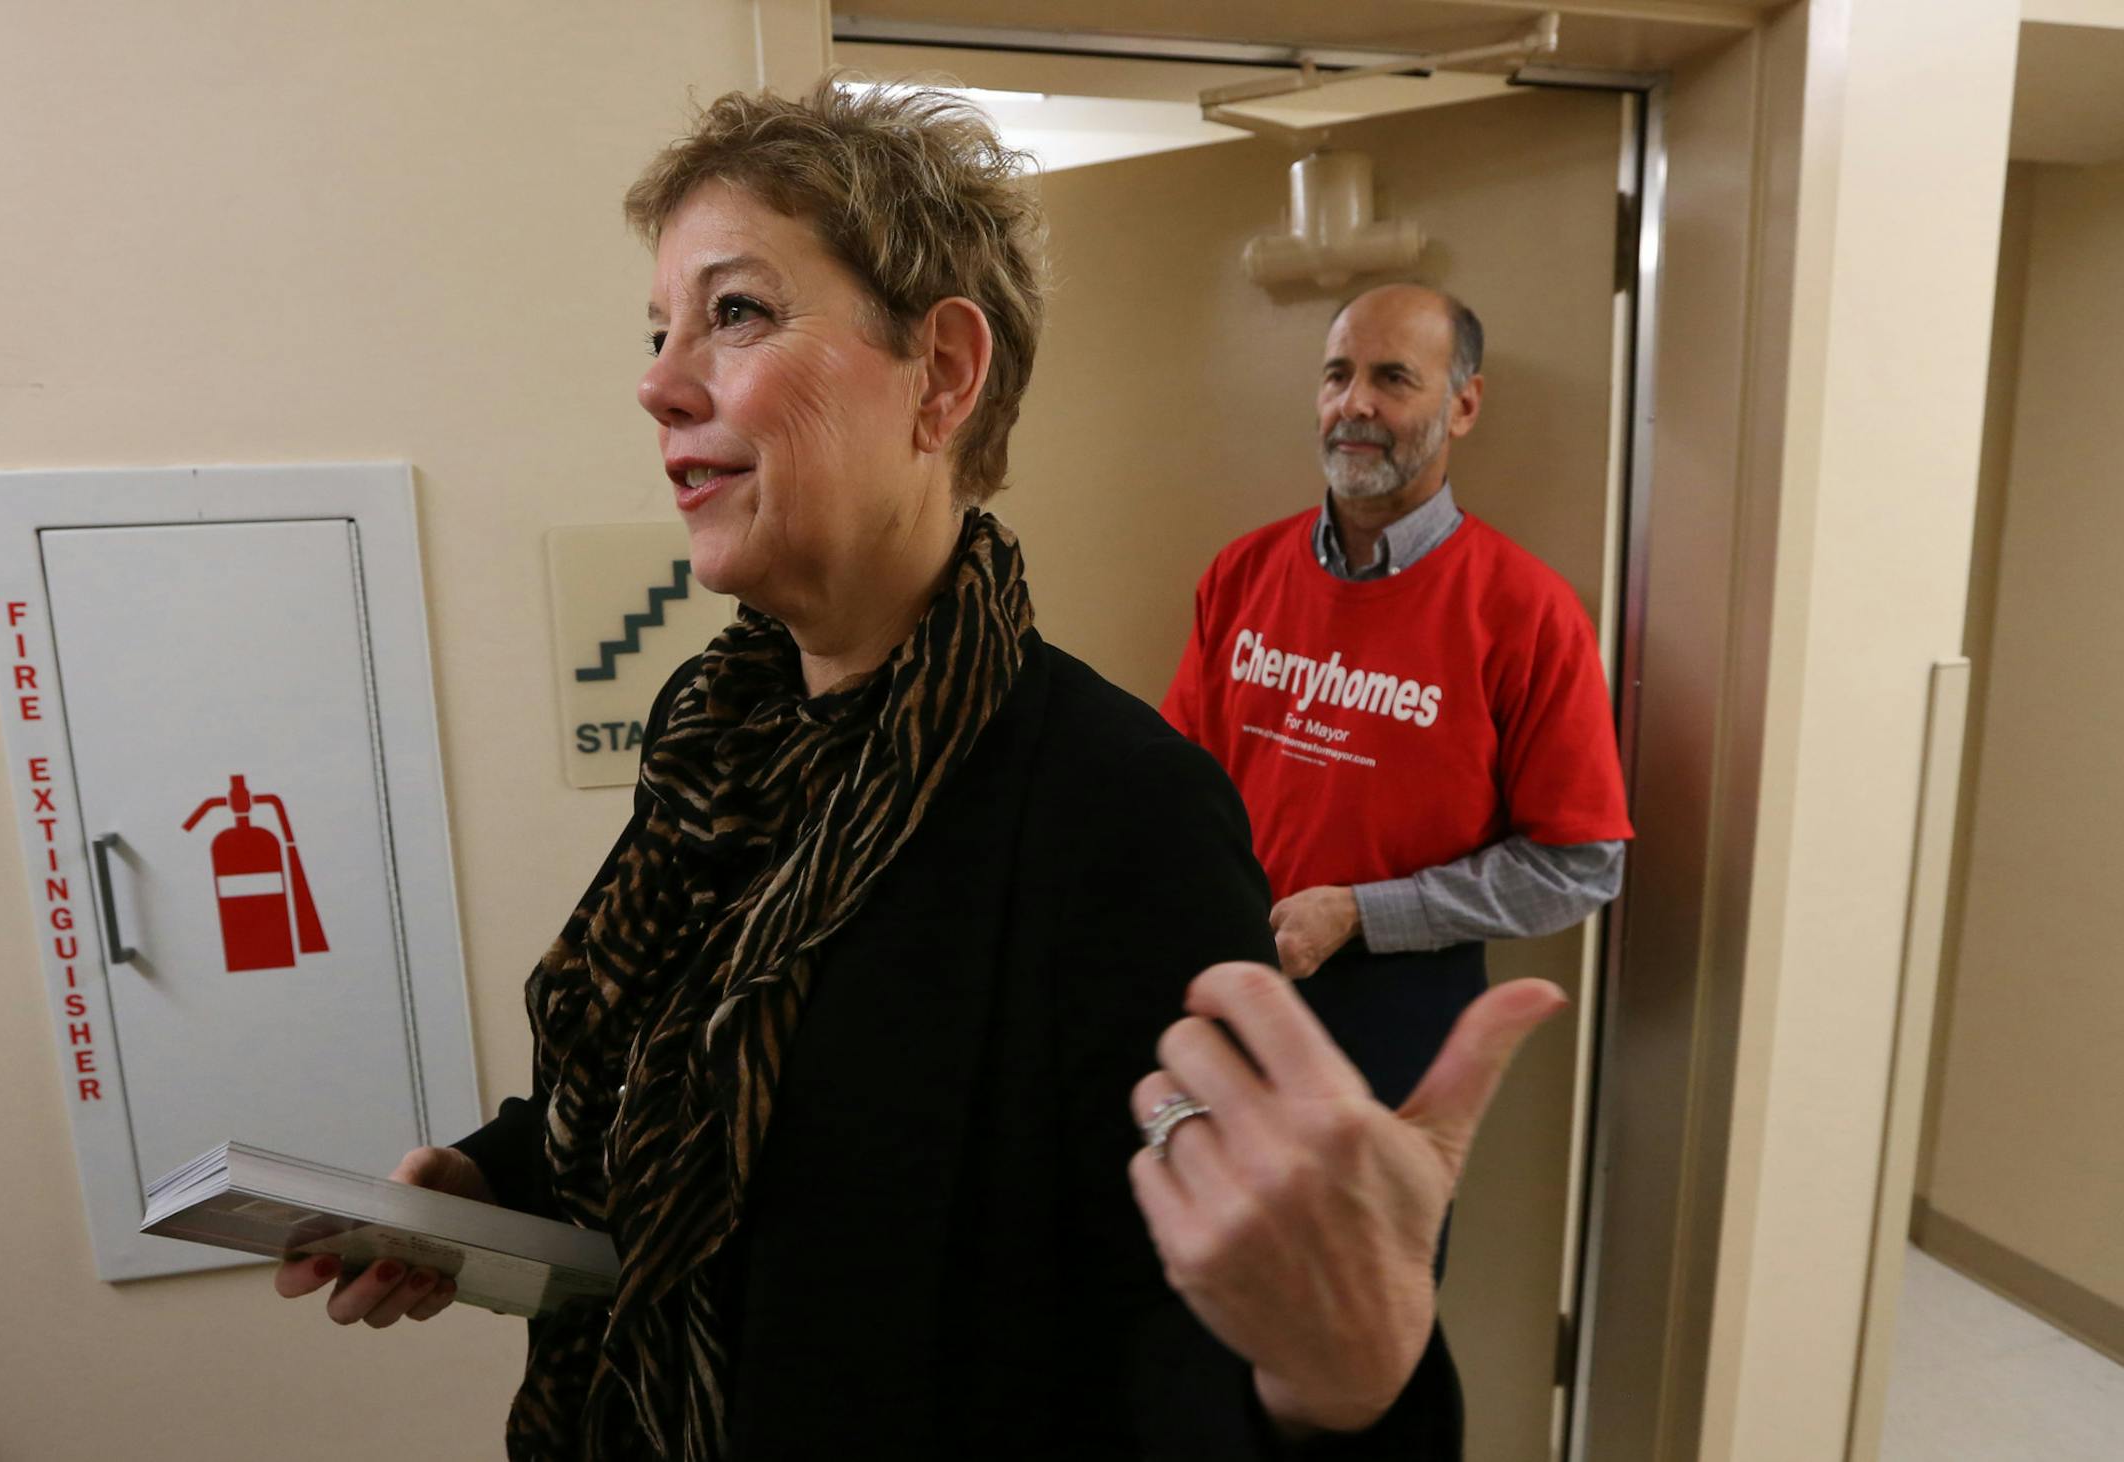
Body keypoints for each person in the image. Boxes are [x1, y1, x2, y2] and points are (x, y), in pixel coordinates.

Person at [270, 82, 1561, 1460]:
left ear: (942, 374)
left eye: (738, 313)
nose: (657, 379)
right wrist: (490, 1182)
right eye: (660, 330)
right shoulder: (712, 735)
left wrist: (1350, 1381)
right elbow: (692, 1092)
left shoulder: (1118, 815)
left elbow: (1180, 1359)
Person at [1160, 284, 1633, 1109]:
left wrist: (1363, 913)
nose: (1355, 405)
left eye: (1393, 379)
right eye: (1337, 374)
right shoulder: (1241, 575)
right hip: (1222, 974)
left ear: (1464, 406)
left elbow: (1582, 865)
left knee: (1373, 1238)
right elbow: (1175, 786)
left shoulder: (1528, 613)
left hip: (1400, 1003)